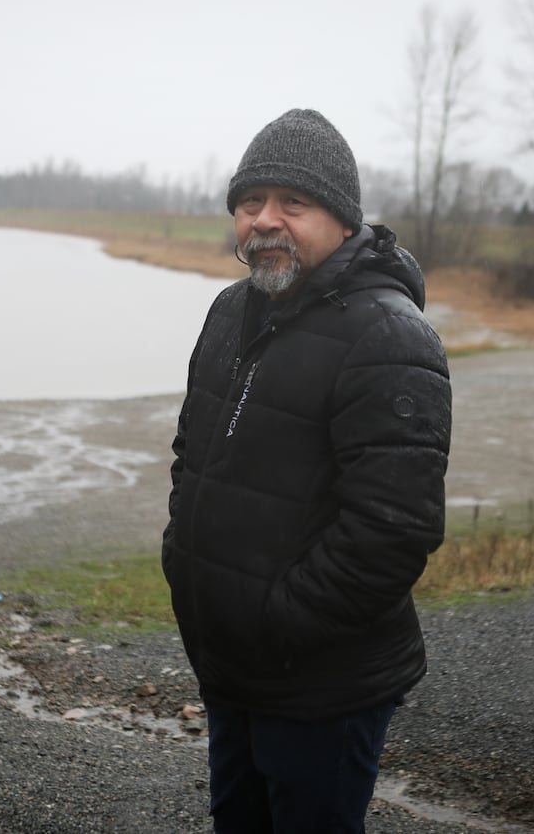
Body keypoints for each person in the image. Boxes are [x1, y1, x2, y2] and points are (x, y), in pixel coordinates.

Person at [161, 108, 453, 833]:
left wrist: (276, 621)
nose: (267, 220)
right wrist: (186, 568)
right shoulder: (231, 312)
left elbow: (391, 531)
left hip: (322, 681)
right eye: (251, 202)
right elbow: (192, 455)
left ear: (344, 222)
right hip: (232, 667)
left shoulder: (388, 335)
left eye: (295, 203)